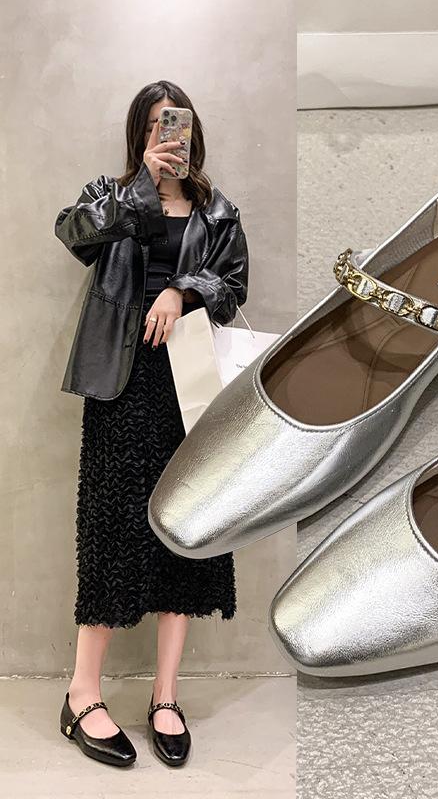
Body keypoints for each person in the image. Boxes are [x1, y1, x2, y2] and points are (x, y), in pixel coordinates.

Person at [54, 80, 249, 768]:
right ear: (140, 133)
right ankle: (82, 693)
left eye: (177, 125)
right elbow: (73, 233)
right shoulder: (112, 196)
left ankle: (165, 695)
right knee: (112, 532)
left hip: (191, 384)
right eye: (154, 126)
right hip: (121, 379)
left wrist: (181, 289)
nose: (168, 136)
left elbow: (234, 284)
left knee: (185, 530)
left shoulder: (216, 211)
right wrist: (142, 183)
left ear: (193, 132)